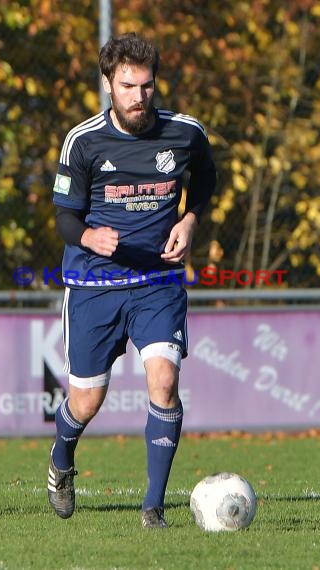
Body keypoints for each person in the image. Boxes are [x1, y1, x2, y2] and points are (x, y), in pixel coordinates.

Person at [48, 32, 216, 529]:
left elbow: (205, 178)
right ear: (107, 84)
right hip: (94, 284)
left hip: (157, 283)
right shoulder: (83, 141)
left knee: (164, 381)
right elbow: (63, 218)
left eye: (146, 86)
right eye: (127, 86)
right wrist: (87, 236)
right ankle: (61, 461)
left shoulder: (185, 133)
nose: (138, 97)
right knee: (86, 400)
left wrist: (190, 220)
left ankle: (153, 508)